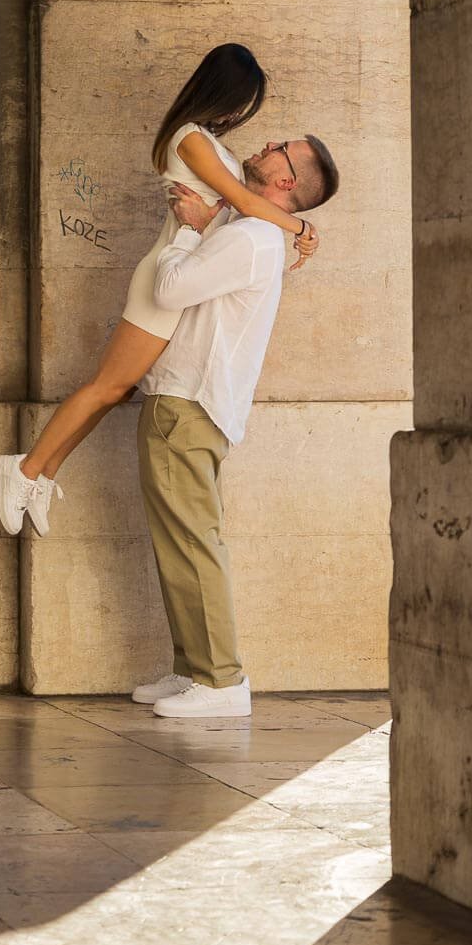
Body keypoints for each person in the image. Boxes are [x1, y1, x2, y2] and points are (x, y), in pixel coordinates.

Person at [0, 44, 320, 539]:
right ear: (223, 94)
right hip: (162, 281)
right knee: (107, 384)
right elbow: (239, 201)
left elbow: (237, 211)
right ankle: (22, 469)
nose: (242, 116)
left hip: (181, 275)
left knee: (118, 390)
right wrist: (298, 227)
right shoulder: (190, 139)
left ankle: (43, 474)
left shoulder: (211, 143)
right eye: (242, 104)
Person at [129, 132, 339, 717]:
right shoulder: (252, 231)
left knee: (194, 543)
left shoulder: (249, 238)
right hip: (187, 403)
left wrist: (191, 229)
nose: (269, 142)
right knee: (179, 542)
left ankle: (221, 682)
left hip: (188, 404)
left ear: (286, 181)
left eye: (282, 147)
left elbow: (169, 290)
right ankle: (192, 669)